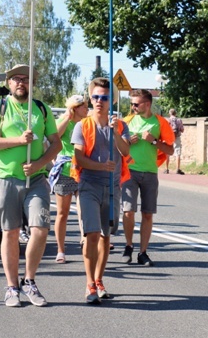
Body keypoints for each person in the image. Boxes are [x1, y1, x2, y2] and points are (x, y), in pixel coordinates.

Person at [0, 64, 61, 307]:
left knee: (40, 228)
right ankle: (12, 286)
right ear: (8, 83)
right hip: (5, 178)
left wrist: (39, 164)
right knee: (11, 232)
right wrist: (18, 140)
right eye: (15, 79)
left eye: (25, 79)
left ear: (31, 83)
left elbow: (56, 144)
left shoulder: (41, 109)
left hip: (35, 179)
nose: (20, 83)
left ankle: (29, 281)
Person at [72, 78, 130, 303]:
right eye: (95, 97)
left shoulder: (121, 125)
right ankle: (89, 284)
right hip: (89, 185)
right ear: (90, 99)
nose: (99, 101)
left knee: (106, 237)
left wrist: (116, 133)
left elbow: (125, 152)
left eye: (104, 98)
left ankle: (99, 280)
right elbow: (79, 158)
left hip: (113, 188)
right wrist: (100, 166)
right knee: (92, 234)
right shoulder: (82, 125)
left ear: (111, 101)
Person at [122, 89, 174, 266]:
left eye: (136, 104)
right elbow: (117, 145)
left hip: (150, 172)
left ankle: (142, 252)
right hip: (129, 170)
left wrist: (153, 141)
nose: (133, 107)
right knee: (128, 211)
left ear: (147, 104)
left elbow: (170, 150)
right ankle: (129, 245)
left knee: (147, 214)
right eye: (132, 104)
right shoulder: (127, 121)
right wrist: (128, 141)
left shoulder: (160, 123)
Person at [49, 95, 88, 264]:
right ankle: (60, 250)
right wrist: (67, 117)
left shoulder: (87, 123)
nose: (87, 109)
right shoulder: (65, 121)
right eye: (84, 106)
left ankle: (84, 240)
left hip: (83, 169)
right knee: (62, 213)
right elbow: (54, 136)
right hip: (65, 171)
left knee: (84, 209)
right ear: (75, 108)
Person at [165, 108, 185, 175]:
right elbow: (182, 130)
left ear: (169, 113)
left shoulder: (168, 120)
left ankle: (167, 169)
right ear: (175, 113)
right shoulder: (179, 120)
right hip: (177, 137)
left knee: (167, 152)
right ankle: (177, 169)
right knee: (177, 152)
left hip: (169, 137)